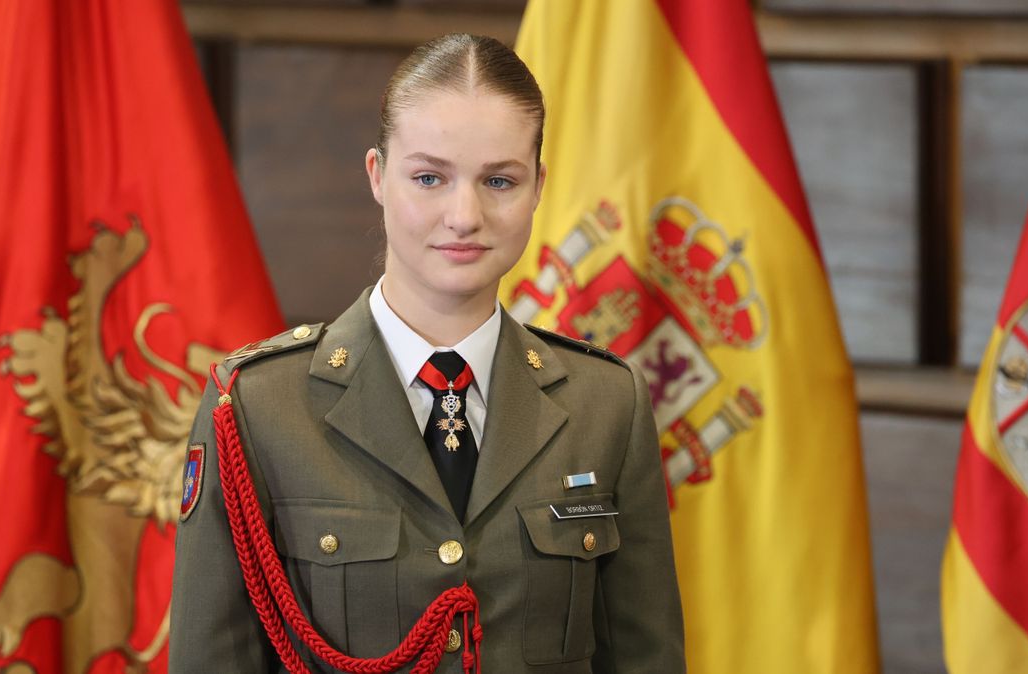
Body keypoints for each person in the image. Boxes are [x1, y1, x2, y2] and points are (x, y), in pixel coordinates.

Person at [169, 33, 685, 673]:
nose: (464, 215)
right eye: (429, 177)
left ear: (538, 187)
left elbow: (644, 656)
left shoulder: (606, 403)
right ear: (378, 176)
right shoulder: (257, 408)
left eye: (499, 180)